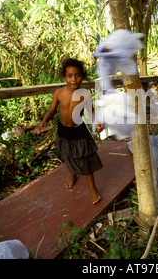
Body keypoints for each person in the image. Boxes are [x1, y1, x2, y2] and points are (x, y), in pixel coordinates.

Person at [37, 58, 104, 205]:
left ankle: (93, 188)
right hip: (63, 130)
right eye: (70, 76)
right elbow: (52, 110)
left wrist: (97, 121)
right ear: (64, 77)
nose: (74, 79)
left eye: (78, 75)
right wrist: (44, 121)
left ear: (82, 76)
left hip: (78, 130)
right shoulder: (59, 93)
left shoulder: (85, 94)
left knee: (84, 160)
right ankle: (73, 175)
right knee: (65, 155)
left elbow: (90, 112)